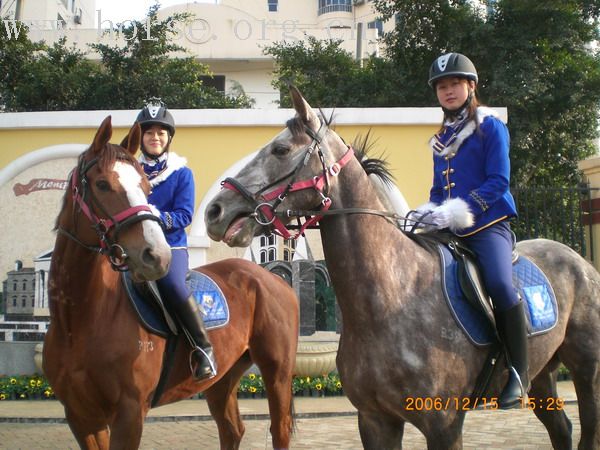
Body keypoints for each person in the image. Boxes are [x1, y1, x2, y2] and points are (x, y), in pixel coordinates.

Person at [411, 53, 528, 409]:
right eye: (442, 87)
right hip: (449, 227)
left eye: (454, 84)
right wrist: (428, 213)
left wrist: (459, 211)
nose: (448, 91)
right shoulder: (441, 138)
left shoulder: (490, 126)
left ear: (471, 86)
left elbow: (499, 181)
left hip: (488, 225)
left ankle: (519, 374)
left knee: (498, 283)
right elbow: (438, 191)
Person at [135, 100, 217, 381]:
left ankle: (203, 348)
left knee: (173, 286)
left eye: (160, 133)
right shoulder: (130, 171)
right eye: (149, 133)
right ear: (141, 137)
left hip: (171, 246)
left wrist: (156, 216)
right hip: (134, 247)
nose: (155, 138)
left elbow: (184, 216)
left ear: (168, 138)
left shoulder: (181, 173)